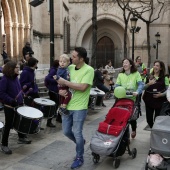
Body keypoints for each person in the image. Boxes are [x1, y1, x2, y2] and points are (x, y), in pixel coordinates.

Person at [56, 47, 94, 169]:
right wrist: (59, 91)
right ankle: (81, 143)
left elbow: (83, 87)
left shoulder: (89, 70)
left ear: (81, 59)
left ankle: (79, 157)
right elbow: (58, 81)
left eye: (74, 57)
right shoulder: (70, 67)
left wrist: (65, 83)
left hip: (80, 107)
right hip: (66, 105)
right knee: (66, 131)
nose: (71, 58)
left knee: (77, 132)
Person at [0, 61, 31, 154]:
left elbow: (18, 90)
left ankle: (21, 138)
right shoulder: (5, 79)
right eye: (16, 67)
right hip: (9, 106)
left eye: (18, 67)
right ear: (11, 69)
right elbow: (1, 93)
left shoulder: (16, 78)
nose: (18, 69)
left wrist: (23, 96)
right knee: (9, 125)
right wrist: (10, 100)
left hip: (18, 104)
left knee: (19, 121)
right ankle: (4, 144)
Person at [115, 58, 144, 139]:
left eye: (126, 63)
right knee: (123, 117)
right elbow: (117, 85)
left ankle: (134, 129)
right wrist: (116, 90)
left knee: (132, 118)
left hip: (132, 99)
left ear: (131, 64)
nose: (124, 64)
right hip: (122, 99)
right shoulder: (120, 75)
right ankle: (125, 136)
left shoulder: (136, 74)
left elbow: (140, 84)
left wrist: (138, 91)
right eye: (123, 63)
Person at [143, 60, 169, 128]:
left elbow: (168, 90)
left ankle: (155, 133)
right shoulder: (148, 77)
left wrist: (161, 94)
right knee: (149, 120)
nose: (155, 67)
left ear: (160, 68)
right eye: (154, 65)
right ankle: (152, 128)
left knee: (157, 119)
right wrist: (149, 84)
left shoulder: (165, 78)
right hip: (149, 101)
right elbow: (142, 88)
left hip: (160, 102)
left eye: (157, 65)